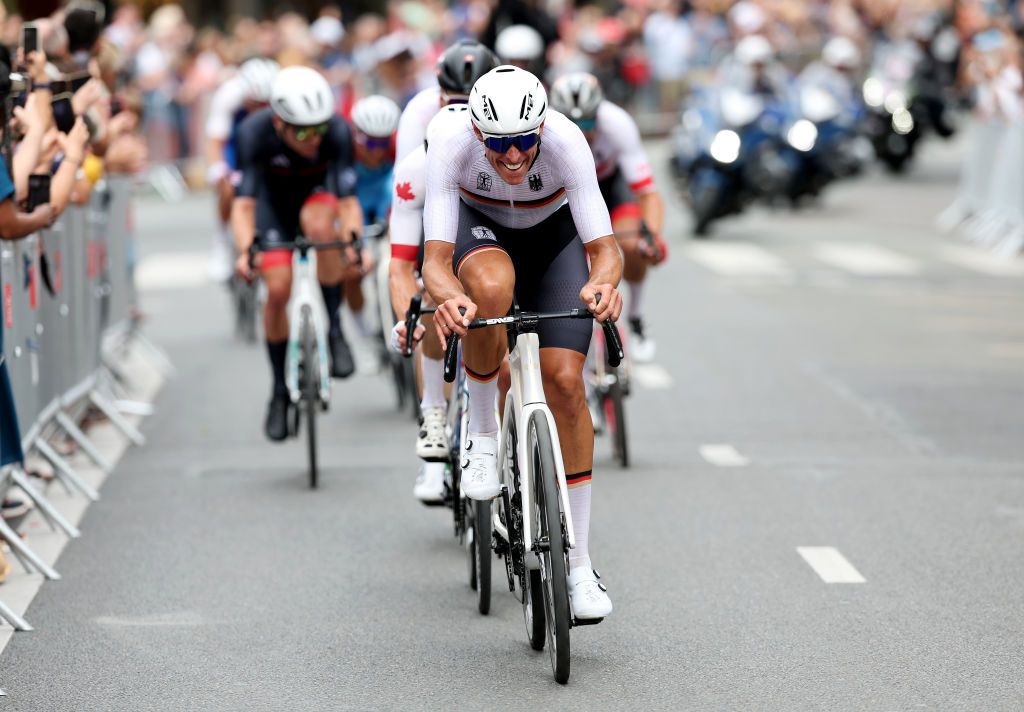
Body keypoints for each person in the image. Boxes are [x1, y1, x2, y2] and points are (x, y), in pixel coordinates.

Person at [422, 66, 621, 619]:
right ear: (478, 134)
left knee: (564, 383)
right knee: (489, 289)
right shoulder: (452, 145)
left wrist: (604, 283)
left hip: (552, 242)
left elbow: (604, 248)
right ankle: (482, 434)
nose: (513, 157)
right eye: (500, 145)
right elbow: (435, 263)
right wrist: (448, 297)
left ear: (540, 127)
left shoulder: (565, 141)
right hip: (482, 236)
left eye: (523, 142)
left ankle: (579, 564)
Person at [231, 66, 362, 442]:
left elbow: (348, 201)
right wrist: (245, 251)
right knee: (276, 290)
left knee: (323, 230)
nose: (313, 140)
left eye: (319, 129)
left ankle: (335, 329)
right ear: (278, 123)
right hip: (272, 208)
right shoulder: (253, 133)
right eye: (303, 132)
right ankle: (277, 391)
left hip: (316, 198)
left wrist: (353, 241)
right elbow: (243, 207)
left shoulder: (336, 131)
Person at [549, 72, 668, 362]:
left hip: (611, 187)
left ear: (598, 113)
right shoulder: (546, 129)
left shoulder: (617, 124)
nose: (581, 131)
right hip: (567, 192)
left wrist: (650, 236)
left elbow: (648, 193)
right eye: (573, 124)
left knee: (630, 243)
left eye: (588, 123)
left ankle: (636, 318)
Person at [388, 104, 470, 502]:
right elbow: (401, 266)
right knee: (432, 305)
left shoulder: (488, 160)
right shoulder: (414, 169)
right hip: (431, 238)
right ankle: (434, 412)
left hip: (483, 232)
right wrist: (408, 318)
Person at [205, 57, 280, 282]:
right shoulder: (229, 95)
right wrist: (219, 169)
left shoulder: (281, 95)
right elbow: (216, 140)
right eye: (255, 102)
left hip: (266, 144)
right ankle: (221, 240)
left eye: (264, 104)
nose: (259, 108)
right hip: (235, 145)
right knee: (228, 188)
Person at [348, 94, 400, 337]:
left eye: (383, 144)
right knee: (352, 269)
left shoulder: (398, 145)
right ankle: (362, 331)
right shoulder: (344, 150)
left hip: (383, 196)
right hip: (355, 200)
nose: (377, 152)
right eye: (370, 144)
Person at [395, 40, 499, 162]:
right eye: (456, 103)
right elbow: (406, 168)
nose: (465, 115)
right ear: (440, 98)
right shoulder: (420, 110)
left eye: (474, 106)